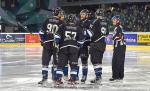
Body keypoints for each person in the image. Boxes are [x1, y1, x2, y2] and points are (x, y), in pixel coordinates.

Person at [54, 14, 84, 85]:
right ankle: (73, 79)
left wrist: (57, 44)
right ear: (74, 20)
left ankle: (58, 79)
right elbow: (81, 41)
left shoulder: (62, 26)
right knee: (73, 65)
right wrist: (78, 45)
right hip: (74, 48)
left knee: (60, 65)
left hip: (63, 48)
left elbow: (57, 37)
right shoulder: (78, 27)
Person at [38, 7, 65, 85]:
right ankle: (55, 78)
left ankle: (44, 78)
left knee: (45, 62)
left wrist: (42, 41)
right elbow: (62, 36)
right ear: (59, 14)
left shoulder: (47, 20)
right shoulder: (61, 22)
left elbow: (41, 32)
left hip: (47, 43)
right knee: (56, 62)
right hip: (55, 44)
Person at [89, 9, 109, 84]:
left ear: (96, 14)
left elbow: (90, 33)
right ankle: (99, 76)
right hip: (103, 44)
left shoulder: (95, 21)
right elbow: (106, 33)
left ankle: (98, 76)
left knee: (94, 61)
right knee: (99, 61)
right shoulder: (106, 22)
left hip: (96, 44)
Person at [109, 15, 126, 81]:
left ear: (118, 21)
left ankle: (115, 76)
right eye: (113, 20)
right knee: (120, 62)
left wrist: (112, 37)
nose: (113, 21)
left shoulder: (118, 28)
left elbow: (120, 37)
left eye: (114, 20)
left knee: (115, 62)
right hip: (120, 47)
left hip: (119, 47)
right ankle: (120, 76)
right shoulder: (118, 27)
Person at [78, 9, 91, 83]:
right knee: (74, 61)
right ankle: (75, 76)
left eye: (83, 14)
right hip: (77, 45)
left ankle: (84, 76)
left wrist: (89, 44)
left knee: (84, 61)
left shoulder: (89, 23)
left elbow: (91, 35)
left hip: (85, 45)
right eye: (81, 14)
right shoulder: (78, 22)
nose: (81, 15)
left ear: (87, 15)